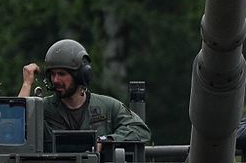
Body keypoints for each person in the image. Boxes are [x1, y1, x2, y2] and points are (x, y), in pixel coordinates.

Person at [18, 39, 151, 146]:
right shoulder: (43, 109)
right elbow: (15, 128)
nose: (56, 80)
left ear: (80, 75)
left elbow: (140, 130)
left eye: (62, 74)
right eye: (53, 74)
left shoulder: (108, 107)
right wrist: (26, 84)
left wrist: (106, 141)